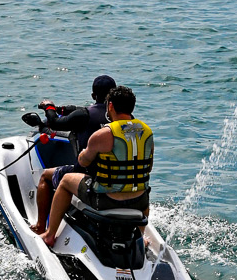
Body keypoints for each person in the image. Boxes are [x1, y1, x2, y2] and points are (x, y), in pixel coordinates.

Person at [38, 84, 153, 248]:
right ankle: (140, 237)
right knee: (140, 187)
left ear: (110, 105)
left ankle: (49, 235)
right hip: (140, 202)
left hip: (106, 200)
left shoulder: (103, 134)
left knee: (65, 181)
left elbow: (83, 162)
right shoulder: (147, 132)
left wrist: (85, 152)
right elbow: (148, 167)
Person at [31, 72, 116, 233]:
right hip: (115, 176)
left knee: (46, 176)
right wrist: (61, 109)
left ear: (93, 95)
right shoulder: (122, 118)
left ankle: (41, 226)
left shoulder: (84, 115)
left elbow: (55, 123)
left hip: (89, 175)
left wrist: (48, 107)